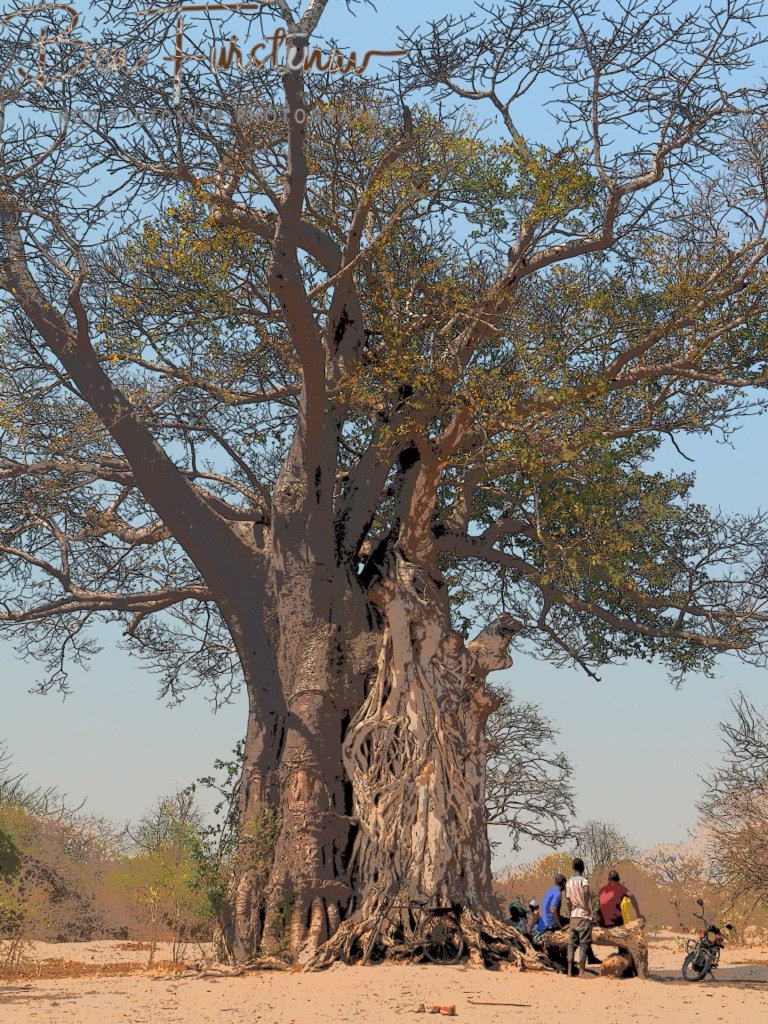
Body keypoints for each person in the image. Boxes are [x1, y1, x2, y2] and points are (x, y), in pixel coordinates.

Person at [565, 858, 592, 977]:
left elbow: (568, 900)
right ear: (582, 868)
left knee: (571, 945)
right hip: (583, 916)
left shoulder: (568, 882)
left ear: (573, 868)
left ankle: (569, 971)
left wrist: (571, 911)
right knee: (583, 944)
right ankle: (581, 971)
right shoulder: (584, 881)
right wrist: (586, 906)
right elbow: (586, 892)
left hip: (573, 916)